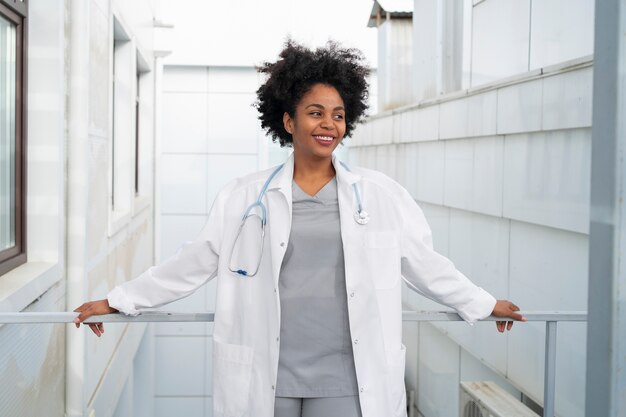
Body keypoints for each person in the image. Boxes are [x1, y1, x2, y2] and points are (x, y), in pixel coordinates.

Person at [74, 40, 525, 417]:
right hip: (269, 374)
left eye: (338, 114)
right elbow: (193, 262)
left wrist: (483, 303)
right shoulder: (244, 197)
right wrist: (118, 301)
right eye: (314, 112)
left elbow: (425, 265)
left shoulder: (379, 196)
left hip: (348, 374)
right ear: (288, 121)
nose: (329, 124)